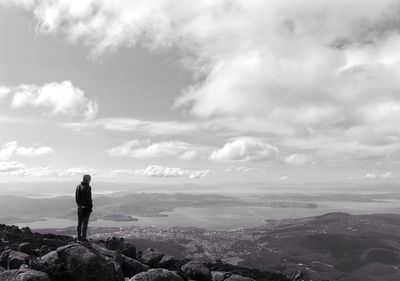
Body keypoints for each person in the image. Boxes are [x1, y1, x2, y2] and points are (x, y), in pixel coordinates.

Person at [75, 174, 93, 242]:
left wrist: (79, 205)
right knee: (85, 224)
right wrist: (90, 207)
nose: (90, 181)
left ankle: (78, 238)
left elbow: (76, 198)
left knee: (79, 224)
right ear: (87, 179)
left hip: (79, 208)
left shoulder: (78, 186)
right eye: (89, 179)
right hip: (86, 208)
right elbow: (89, 199)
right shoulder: (88, 187)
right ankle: (83, 238)